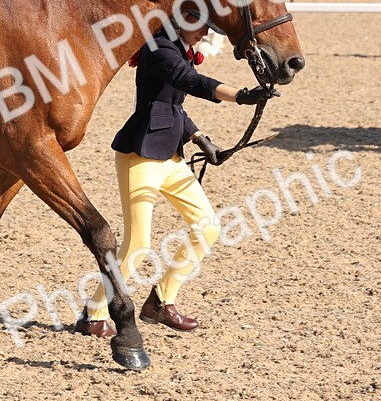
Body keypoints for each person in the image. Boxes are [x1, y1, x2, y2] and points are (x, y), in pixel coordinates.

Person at [76, 19, 267, 337]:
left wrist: (200, 138)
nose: (206, 34)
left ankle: (161, 302)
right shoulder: (159, 48)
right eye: (202, 26)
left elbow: (173, 104)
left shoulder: (177, 47)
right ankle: (92, 313)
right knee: (137, 245)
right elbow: (188, 80)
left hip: (170, 156)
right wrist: (240, 95)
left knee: (207, 226)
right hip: (142, 154)